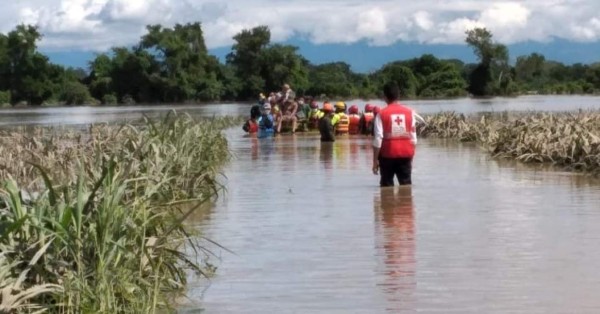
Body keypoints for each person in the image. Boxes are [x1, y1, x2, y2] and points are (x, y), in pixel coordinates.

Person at [372, 82, 420, 187]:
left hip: (387, 155)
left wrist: (374, 161)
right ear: (399, 95)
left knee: (386, 187)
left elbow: (378, 139)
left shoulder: (381, 114)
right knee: (406, 187)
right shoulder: (410, 113)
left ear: (384, 97)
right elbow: (413, 139)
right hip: (406, 154)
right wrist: (411, 158)